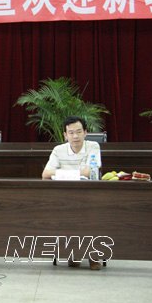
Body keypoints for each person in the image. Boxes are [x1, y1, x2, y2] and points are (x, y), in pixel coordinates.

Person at [41, 115, 103, 270]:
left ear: (85, 132)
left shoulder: (93, 146)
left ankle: (93, 256)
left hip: (90, 194)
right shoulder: (58, 150)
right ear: (65, 135)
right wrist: (77, 172)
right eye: (71, 132)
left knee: (92, 215)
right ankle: (74, 253)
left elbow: (89, 172)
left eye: (79, 132)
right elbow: (45, 174)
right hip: (65, 196)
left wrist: (61, 173)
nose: (75, 136)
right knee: (67, 214)